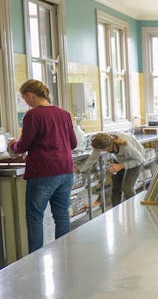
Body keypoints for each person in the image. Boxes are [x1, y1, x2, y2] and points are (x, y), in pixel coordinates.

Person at [9, 79, 77, 253]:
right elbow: (73, 143)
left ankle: (35, 259)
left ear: (31, 95)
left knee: (34, 218)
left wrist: (12, 145)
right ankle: (65, 252)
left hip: (43, 172)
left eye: (25, 98)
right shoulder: (64, 114)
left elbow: (23, 146)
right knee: (61, 215)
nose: (25, 102)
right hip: (66, 170)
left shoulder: (33, 116)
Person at [83, 132, 145, 205]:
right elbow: (92, 158)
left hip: (135, 160)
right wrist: (79, 169)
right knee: (116, 188)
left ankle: (133, 210)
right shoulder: (104, 142)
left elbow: (140, 159)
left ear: (106, 148)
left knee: (127, 188)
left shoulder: (125, 146)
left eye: (99, 150)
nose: (97, 151)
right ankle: (116, 211)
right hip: (120, 159)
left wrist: (121, 166)